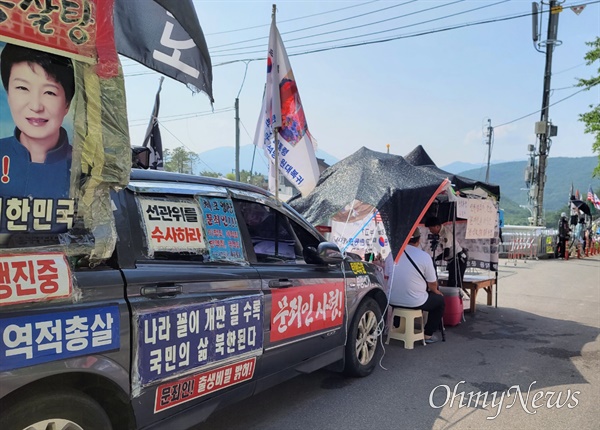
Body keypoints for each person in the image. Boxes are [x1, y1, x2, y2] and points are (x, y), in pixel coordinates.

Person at [0, 43, 75, 199]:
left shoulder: (86, 169)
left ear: (67, 103)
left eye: (49, 92)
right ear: (8, 94)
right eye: (22, 88)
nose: (35, 106)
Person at [384, 228, 445, 343]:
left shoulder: (391, 254)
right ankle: (428, 334)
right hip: (415, 301)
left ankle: (397, 327)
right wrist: (436, 292)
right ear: (418, 240)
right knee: (439, 301)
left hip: (392, 300)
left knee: (402, 294)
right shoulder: (424, 256)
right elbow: (432, 283)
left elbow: (387, 278)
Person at [424, 216, 468, 289]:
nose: (430, 231)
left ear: (437, 227)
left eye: (431, 228)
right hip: (452, 259)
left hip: (458, 259)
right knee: (451, 282)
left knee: (455, 284)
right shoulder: (441, 232)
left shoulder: (445, 234)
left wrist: (434, 259)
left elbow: (446, 254)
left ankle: (456, 299)